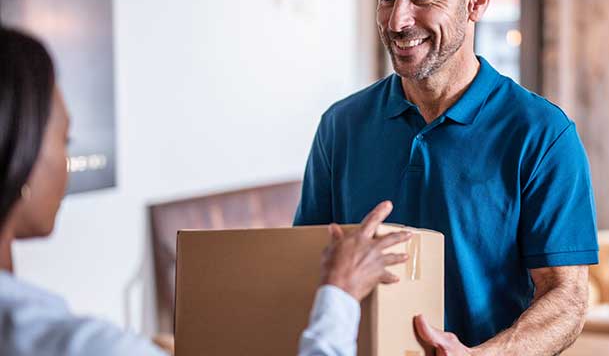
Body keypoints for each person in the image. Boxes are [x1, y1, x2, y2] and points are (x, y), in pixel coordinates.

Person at [0, 27, 410, 356]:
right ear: (21, 151)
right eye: (65, 140)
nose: (68, 163)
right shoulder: (79, 343)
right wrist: (338, 293)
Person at [293, 0, 599, 354]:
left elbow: (567, 299)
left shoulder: (543, 135)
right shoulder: (340, 126)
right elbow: (307, 268)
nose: (397, 21)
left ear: (476, 1)